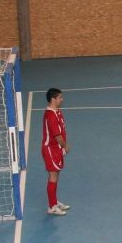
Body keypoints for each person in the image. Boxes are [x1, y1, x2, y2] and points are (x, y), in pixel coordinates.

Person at [42, 88, 70, 216]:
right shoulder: (50, 116)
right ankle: (52, 207)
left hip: (56, 149)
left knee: (56, 176)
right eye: (60, 97)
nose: (61, 99)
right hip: (51, 150)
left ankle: (54, 201)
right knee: (53, 177)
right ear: (53, 99)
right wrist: (65, 146)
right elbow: (57, 136)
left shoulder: (57, 112)